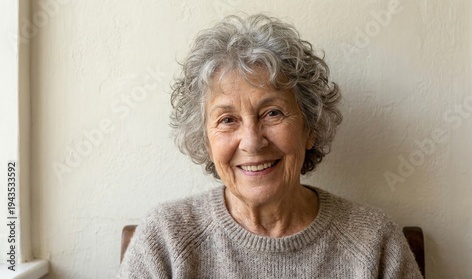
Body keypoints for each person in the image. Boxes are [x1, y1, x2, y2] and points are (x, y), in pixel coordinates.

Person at [118, 14, 423, 278]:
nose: (252, 141)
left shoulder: (374, 241)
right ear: (205, 141)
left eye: (272, 113)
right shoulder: (166, 239)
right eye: (227, 120)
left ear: (310, 128)